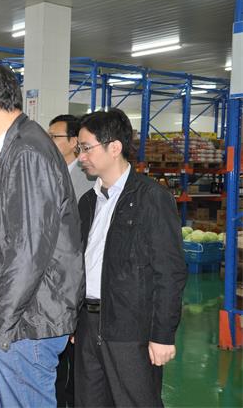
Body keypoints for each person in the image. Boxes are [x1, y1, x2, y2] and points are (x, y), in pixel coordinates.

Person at [0, 63, 85, 407]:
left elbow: (28, 250)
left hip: (28, 319)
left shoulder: (26, 151)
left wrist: (2, 317)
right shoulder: (17, 145)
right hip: (24, 312)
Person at [74, 109, 187, 407]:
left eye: (86, 148)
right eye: (79, 149)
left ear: (114, 147)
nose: (81, 156)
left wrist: (163, 335)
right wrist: (73, 321)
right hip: (88, 325)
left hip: (130, 330)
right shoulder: (87, 202)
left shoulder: (151, 198)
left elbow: (170, 272)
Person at [48, 114, 94, 407]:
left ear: (73, 142)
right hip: (52, 280)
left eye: (54, 136)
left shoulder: (86, 180)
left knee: (75, 362)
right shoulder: (52, 171)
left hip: (74, 279)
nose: (49, 141)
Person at [49, 114, 96, 202]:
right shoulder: (48, 173)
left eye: (53, 137)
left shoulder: (89, 178)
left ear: (73, 142)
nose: (47, 142)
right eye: (47, 137)